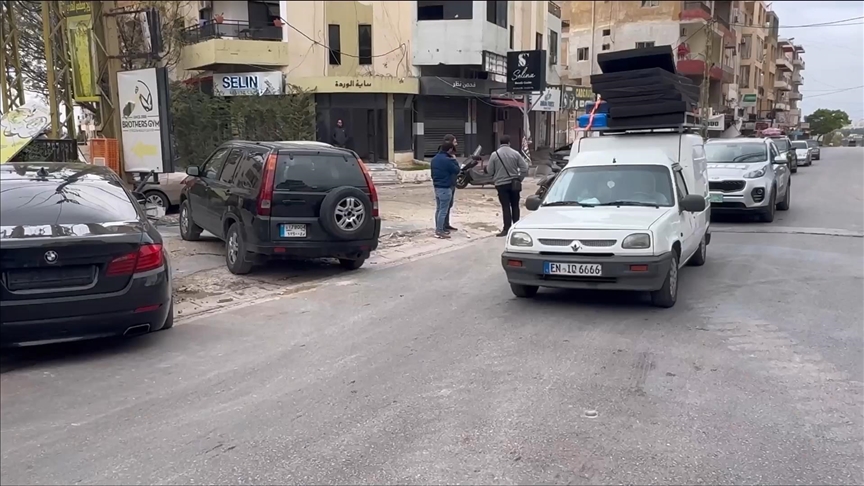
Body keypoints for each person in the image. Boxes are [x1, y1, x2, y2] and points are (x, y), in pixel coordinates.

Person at [485, 134, 529, 237]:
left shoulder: (494, 155)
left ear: (500, 143)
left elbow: (490, 171)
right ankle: (516, 228)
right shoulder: (515, 154)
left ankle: (506, 229)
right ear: (509, 143)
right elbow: (525, 168)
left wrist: (495, 176)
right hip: (514, 184)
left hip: (501, 185)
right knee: (515, 206)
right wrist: (519, 178)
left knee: (505, 206)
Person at [431, 140, 460, 239]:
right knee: (443, 210)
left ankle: (439, 228)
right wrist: (454, 159)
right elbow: (457, 170)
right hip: (445, 187)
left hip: (437, 187)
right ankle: (439, 231)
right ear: (450, 149)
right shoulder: (448, 160)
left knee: (439, 209)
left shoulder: (434, 159)